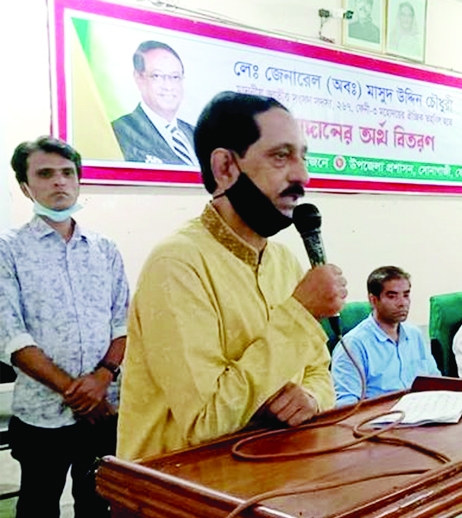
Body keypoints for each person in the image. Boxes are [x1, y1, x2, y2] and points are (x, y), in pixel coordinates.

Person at [117, 92, 346, 460]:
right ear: (225, 167)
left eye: (304, 157)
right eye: (280, 156)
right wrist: (300, 314)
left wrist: (310, 398)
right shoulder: (177, 264)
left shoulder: (284, 262)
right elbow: (205, 421)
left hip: (268, 473)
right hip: (175, 493)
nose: (302, 175)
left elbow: (319, 372)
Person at [0, 136, 129, 518]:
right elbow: (11, 337)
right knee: (37, 515)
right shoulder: (8, 250)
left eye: (67, 173)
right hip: (41, 415)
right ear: (25, 187)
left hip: (104, 409)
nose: (59, 182)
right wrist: (76, 391)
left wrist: (102, 380)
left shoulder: (105, 250)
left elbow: (122, 324)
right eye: (45, 174)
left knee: (97, 512)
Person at [331, 266, 438, 406]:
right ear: (373, 300)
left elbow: (435, 381)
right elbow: (346, 405)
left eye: (406, 295)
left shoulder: (414, 334)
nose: (402, 303)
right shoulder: (353, 345)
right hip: (381, 421)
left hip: (422, 414)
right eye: (392, 296)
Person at [111, 40, 198, 166]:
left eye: (175, 77)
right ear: (138, 78)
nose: (168, 86)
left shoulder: (196, 134)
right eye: (157, 76)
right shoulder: (120, 131)